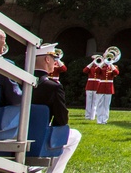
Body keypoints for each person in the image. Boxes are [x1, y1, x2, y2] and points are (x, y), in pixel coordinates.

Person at [32, 43, 82, 173]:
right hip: (39, 137)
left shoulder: (16, 80)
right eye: (54, 58)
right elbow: (61, 120)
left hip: (13, 133)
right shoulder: (52, 87)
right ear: (47, 59)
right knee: (75, 135)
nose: (55, 62)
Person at [93, 54, 119, 125]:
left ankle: (104, 119)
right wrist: (103, 63)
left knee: (106, 104)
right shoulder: (102, 67)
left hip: (109, 87)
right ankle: (99, 119)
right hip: (101, 86)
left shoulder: (113, 67)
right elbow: (96, 71)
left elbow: (116, 72)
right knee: (100, 103)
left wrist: (111, 64)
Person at [82, 55, 100, 119]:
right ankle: (87, 116)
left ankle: (92, 116)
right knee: (89, 101)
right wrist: (92, 63)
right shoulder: (91, 66)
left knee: (95, 101)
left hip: (97, 85)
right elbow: (85, 70)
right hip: (90, 85)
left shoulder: (101, 67)